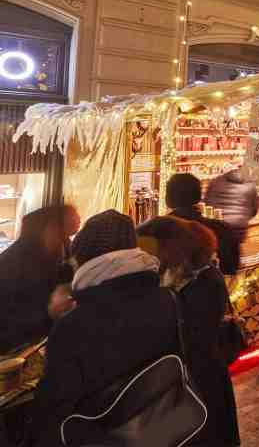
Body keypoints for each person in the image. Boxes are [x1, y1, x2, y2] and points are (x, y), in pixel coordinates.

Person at [29, 210, 180, 447]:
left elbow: (52, 409)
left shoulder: (75, 325)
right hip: (157, 431)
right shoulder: (167, 300)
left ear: (86, 260)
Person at [145, 216, 240, 447]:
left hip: (199, 381)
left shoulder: (203, 281)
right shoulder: (181, 276)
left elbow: (194, 335)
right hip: (191, 379)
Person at [0, 205, 76, 353]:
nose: (63, 237)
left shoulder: (49, 254)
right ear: (45, 229)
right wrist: (49, 312)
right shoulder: (14, 264)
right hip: (15, 349)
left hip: (38, 340)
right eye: (59, 230)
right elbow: (13, 318)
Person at [166, 173, 241, 274]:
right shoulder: (223, 228)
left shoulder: (162, 231)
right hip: (217, 286)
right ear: (199, 196)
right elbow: (233, 267)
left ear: (168, 199)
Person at [205, 166, 259, 245]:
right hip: (238, 229)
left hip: (218, 227)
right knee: (234, 251)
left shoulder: (216, 181)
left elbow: (207, 203)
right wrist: (244, 218)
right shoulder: (251, 185)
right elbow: (254, 209)